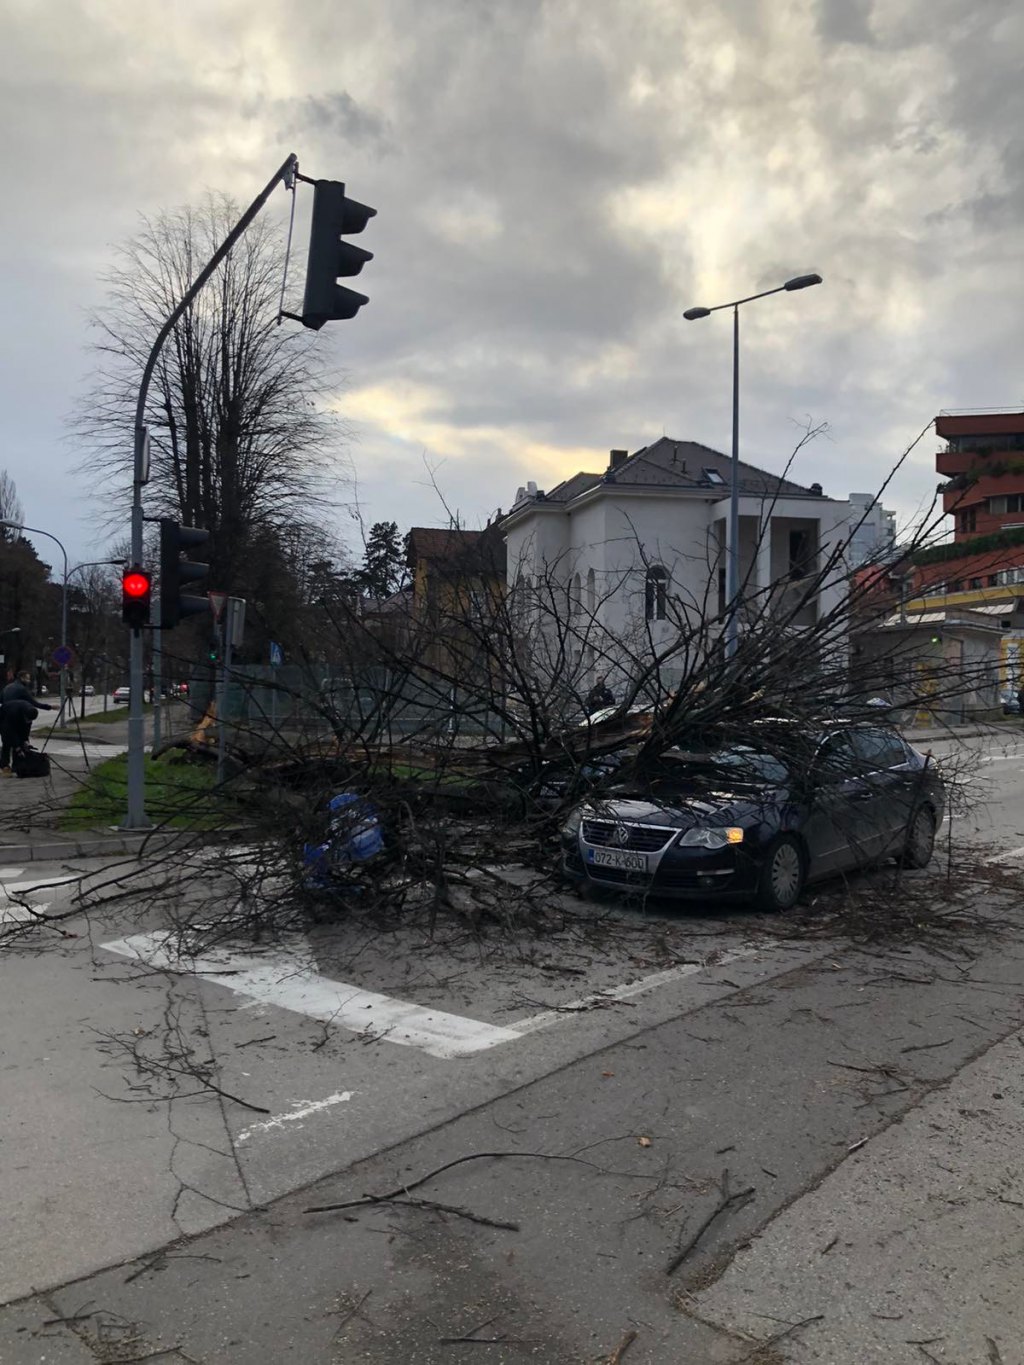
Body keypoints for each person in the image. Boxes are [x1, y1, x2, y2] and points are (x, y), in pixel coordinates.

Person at [0, 671, 53, 774]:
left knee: (11, 743)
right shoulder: (22, 690)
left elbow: (27, 725)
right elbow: (9, 731)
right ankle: (10, 766)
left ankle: (8, 765)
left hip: (10, 711)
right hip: (5, 718)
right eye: (27, 678)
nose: (29, 681)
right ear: (21, 678)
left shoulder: (7, 688)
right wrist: (18, 747)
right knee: (11, 741)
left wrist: (25, 740)